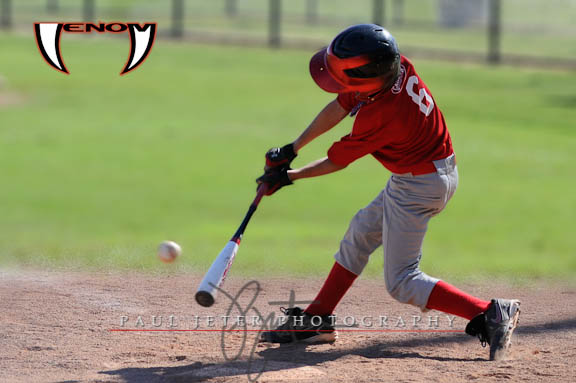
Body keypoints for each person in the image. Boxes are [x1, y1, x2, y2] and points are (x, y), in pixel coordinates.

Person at [256, 24, 520, 361]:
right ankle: (318, 319)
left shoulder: (382, 115)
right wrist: (291, 148)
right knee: (361, 232)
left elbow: (337, 161)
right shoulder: (392, 66)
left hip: (419, 186)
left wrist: (289, 176)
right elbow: (340, 104)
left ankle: (490, 312)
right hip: (424, 173)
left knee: (402, 281)